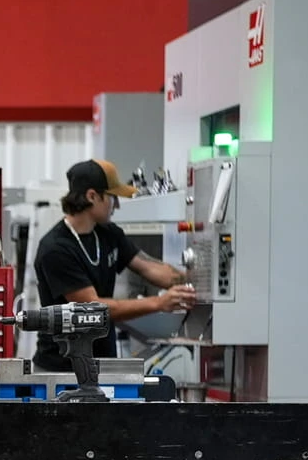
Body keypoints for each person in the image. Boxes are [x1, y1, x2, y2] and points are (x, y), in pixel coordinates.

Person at [30, 158, 197, 374]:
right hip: (62, 369)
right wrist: (159, 302)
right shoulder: (56, 249)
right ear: (92, 196)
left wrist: (198, 279)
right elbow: (94, 308)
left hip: (103, 364)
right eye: (112, 197)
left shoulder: (108, 234)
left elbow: (149, 268)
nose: (116, 205)